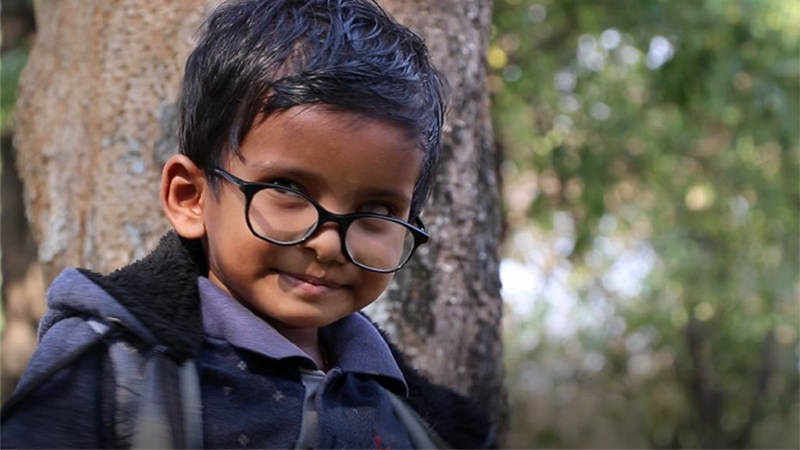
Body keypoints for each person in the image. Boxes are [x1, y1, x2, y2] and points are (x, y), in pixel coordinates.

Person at [1, 0, 496, 448]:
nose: (328, 245)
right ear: (191, 198)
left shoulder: (423, 422)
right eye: (287, 189)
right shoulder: (112, 367)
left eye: (378, 212)